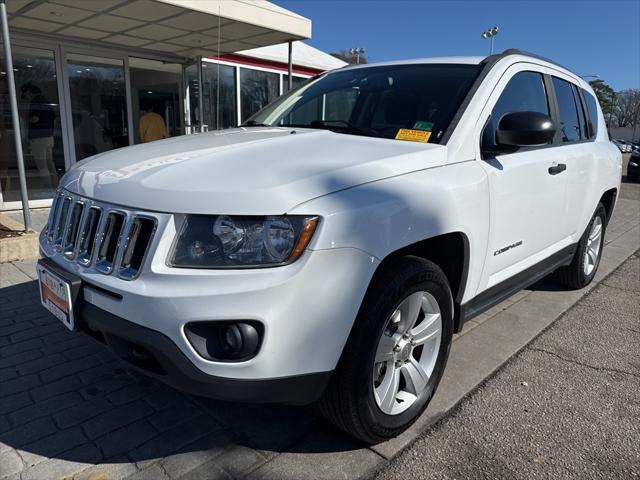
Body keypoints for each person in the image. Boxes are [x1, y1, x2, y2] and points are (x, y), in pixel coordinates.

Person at [22, 83, 57, 188]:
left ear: (29, 92)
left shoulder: (35, 102)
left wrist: (25, 119)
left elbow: (35, 119)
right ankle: (56, 185)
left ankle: (47, 188)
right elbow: (54, 121)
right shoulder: (48, 103)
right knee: (50, 164)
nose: (26, 96)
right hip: (49, 137)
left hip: (38, 138)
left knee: (42, 166)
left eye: (26, 93)